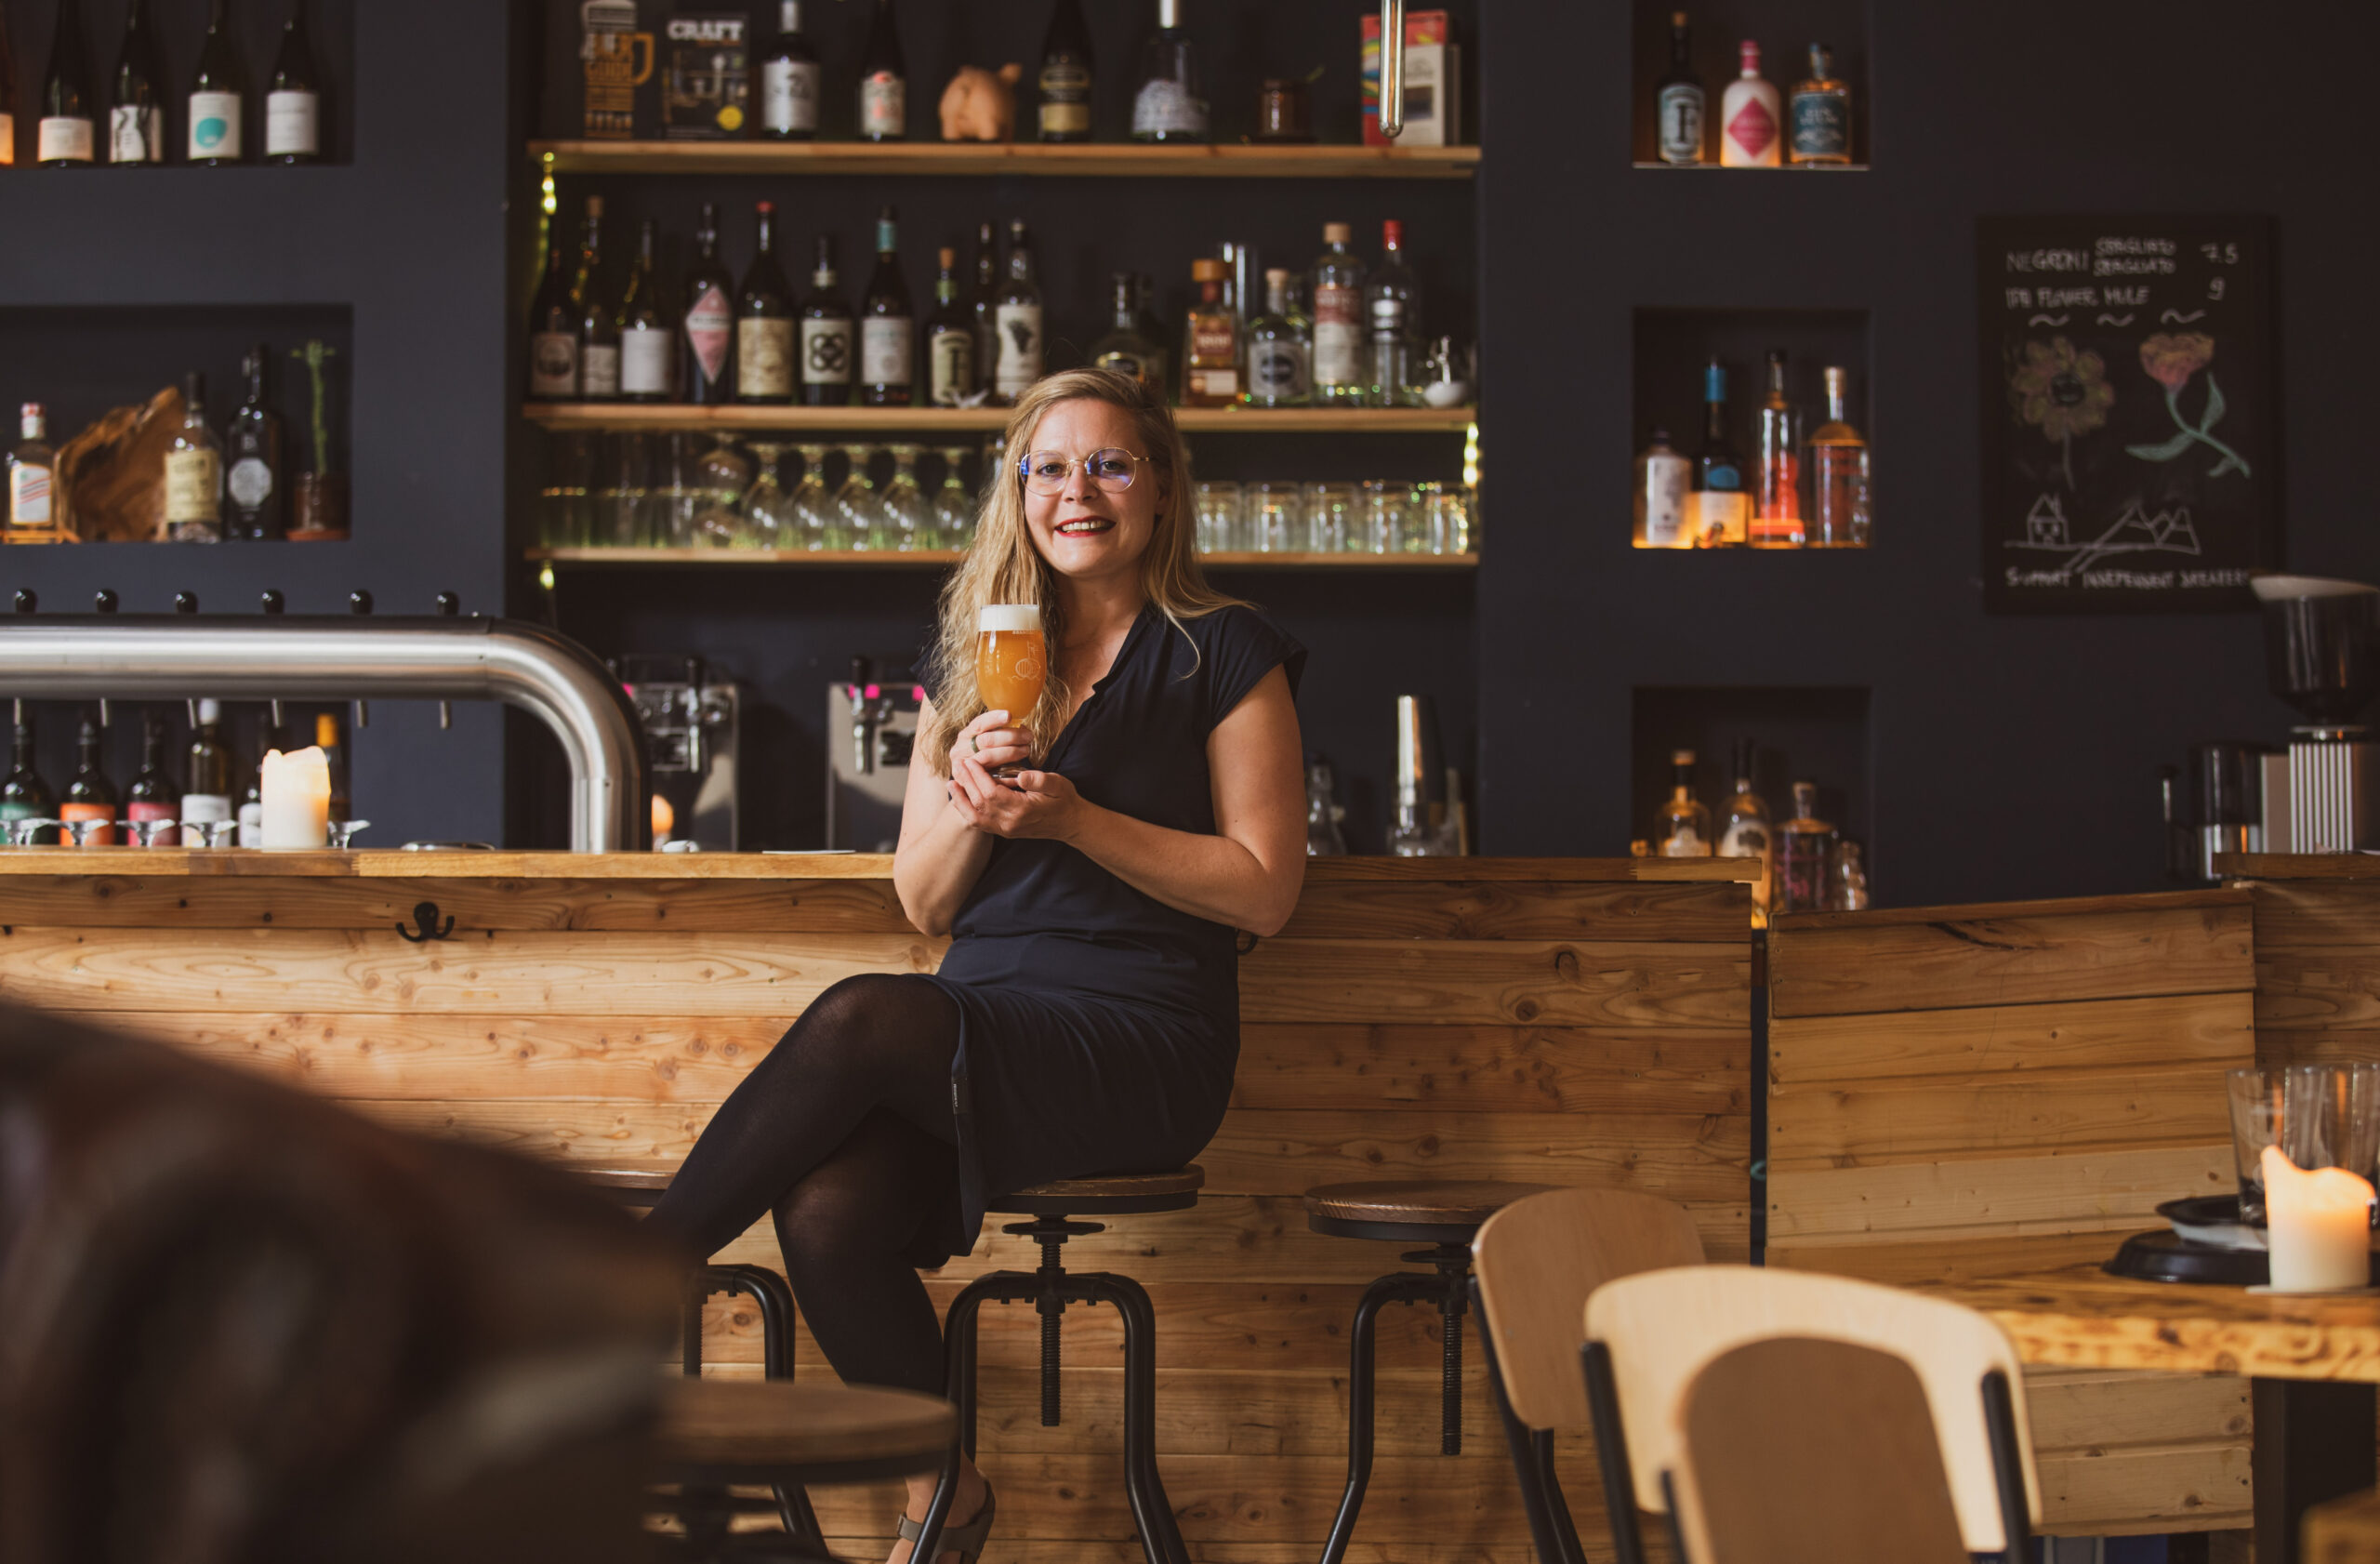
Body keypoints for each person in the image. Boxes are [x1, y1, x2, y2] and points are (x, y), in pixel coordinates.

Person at [643, 367, 1308, 1564]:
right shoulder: (984, 666)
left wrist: (1076, 821)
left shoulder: (1224, 649)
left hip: (1141, 1030)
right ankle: (940, 1493)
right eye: (1049, 467)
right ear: (1017, 494)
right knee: (826, 1204)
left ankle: (624, 1278)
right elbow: (924, 902)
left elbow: (1266, 886)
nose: (1078, 491)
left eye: (1109, 463)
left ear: (1160, 488)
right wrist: (964, 791)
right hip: (979, 1019)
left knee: (857, 1015)